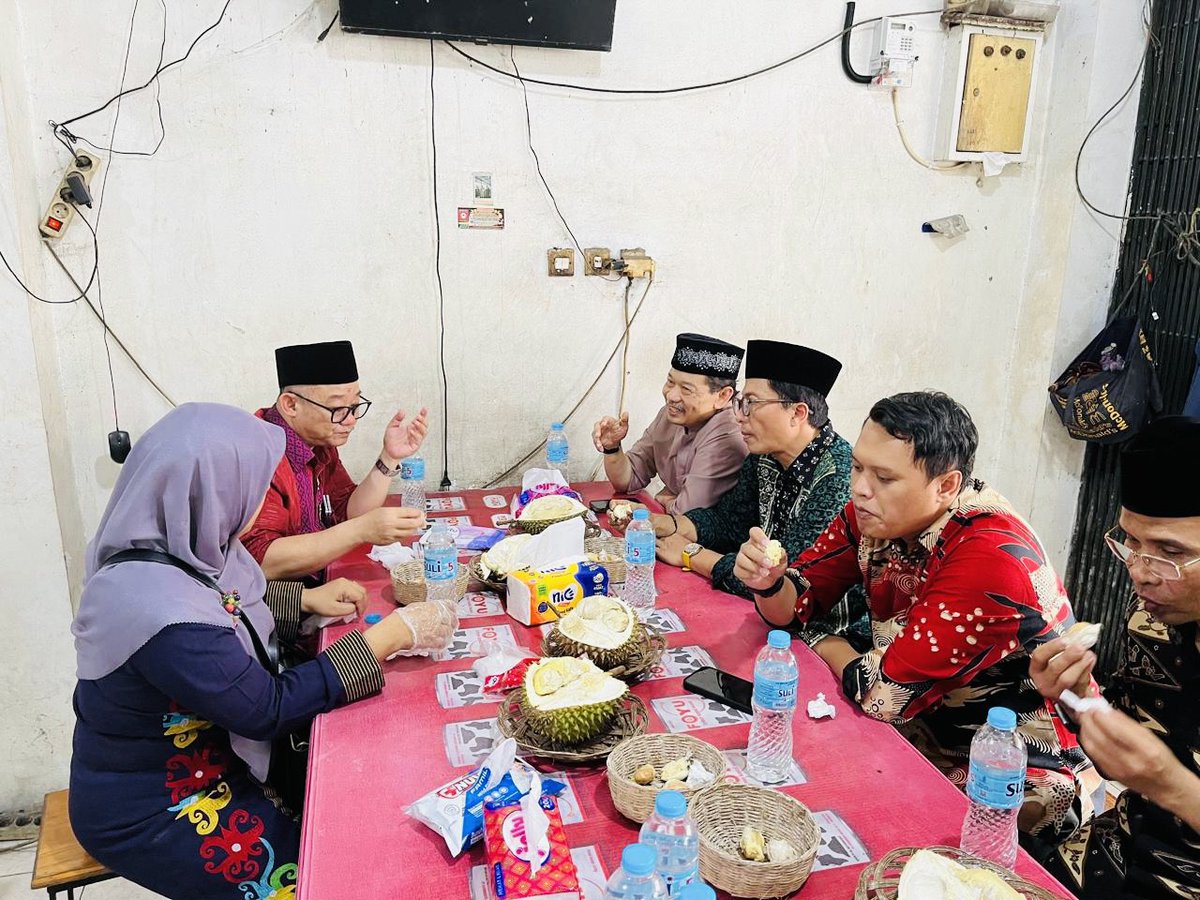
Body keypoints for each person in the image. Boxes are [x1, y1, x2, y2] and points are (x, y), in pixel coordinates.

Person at [69, 403, 457, 899]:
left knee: (369, 800)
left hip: (224, 758)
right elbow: (264, 707)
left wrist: (304, 600)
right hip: (161, 806)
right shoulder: (153, 607)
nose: (262, 498)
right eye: (255, 483)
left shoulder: (186, 550)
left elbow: (225, 604)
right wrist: (385, 638)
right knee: (332, 876)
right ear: (215, 489)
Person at [737, 391, 1089, 845]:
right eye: (858, 467)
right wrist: (767, 581)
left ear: (945, 486)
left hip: (1009, 767)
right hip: (916, 730)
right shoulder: (872, 513)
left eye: (884, 477)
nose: (861, 488)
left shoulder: (989, 553)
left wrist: (823, 640)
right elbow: (794, 605)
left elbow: (882, 696)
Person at [1031, 416, 1200, 898]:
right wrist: (1080, 697)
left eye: (1168, 550)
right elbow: (1123, 752)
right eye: (1130, 542)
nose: (1140, 573)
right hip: (1111, 852)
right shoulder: (1150, 619)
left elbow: (1157, 777)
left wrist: (1172, 786)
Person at [647, 339, 870, 650]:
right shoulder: (764, 456)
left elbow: (777, 581)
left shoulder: (838, 477)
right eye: (741, 403)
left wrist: (691, 554)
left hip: (828, 637)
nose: (739, 416)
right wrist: (673, 526)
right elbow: (729, 522)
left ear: (798, 413)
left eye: (750, 403)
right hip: (771, 623)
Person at [241, 340, 428, 580]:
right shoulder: (259, 454)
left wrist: (389, 457)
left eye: (354, 406)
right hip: (271, 599)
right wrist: (359, 531)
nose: (351, 420)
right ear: (291, 404)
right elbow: (259, 559)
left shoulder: (318, 442)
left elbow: (347, 510)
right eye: (338, 408)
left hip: (317, 578)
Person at [592, 333, 747, 514]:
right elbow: (628, 479)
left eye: (686, 389)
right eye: (670, 382)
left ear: (723, 396)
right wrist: (612, 447)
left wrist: (664, 499)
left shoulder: (729, 433)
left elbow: (688, 513)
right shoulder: (671, 416)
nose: (671, 396)